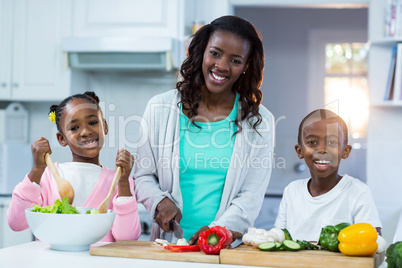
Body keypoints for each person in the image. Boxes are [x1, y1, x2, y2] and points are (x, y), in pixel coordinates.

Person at [134, 15, 275, 244]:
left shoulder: (260, 121)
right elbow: (143, 175)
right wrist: (160, 201)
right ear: (202, 52)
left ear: (246, 66)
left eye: (235, 60)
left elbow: (250, 197)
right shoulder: (160, 108)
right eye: (215, 53)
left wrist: (216, 233)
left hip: (224, 250)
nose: (221, 66)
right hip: (169, 247)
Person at [7, 91, 141, 242]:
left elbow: (127, 238)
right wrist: (37, 169)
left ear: (105, 127)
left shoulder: (120, 181)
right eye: (74, 128)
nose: (85, 132)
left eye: (92, 123)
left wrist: (122, 183)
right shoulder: (47, 177)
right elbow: (16, 223)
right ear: (62, 138)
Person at [274, 109, 382, 242]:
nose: (322, 150)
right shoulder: (292, 191)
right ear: (299, 151)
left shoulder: (358, 192)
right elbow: (277, 238)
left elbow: (374, 242)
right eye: (312, 142)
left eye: (332, 143)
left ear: (345, 151)